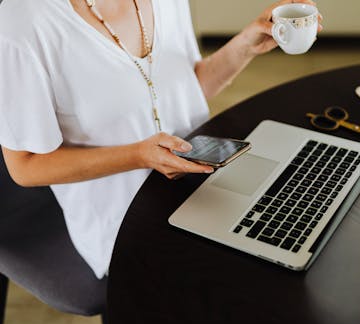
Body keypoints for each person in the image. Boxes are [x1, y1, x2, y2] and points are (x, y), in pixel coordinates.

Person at [0, 0, 321, 279]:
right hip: (124, 222)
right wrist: (139, 155)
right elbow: (25, 167)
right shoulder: (24, 23)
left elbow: (186, 88)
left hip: (203, 184)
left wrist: (246, 44)